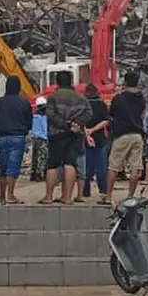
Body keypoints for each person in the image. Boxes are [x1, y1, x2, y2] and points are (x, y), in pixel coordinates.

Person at [42, 71, 92, 205]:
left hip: (57, 134)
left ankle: (48, 196)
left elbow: (50, 115)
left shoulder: (53, 97)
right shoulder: (81, 98)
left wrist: (66, 124)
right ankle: (68, 197)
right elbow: (88, 113)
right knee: (70, 163)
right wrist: (77, 123)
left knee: (53, 164)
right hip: (75, 135)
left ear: (57, 82)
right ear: (71, 81)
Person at [106, 70, 147, 202]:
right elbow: (141, 113)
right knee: (135, 167)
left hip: (122, 135)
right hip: (137, 135)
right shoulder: (141, 98)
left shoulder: (119, 98)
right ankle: (130, 196)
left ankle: (108, 196)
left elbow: (111, 115)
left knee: (113, 166)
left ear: (125, 82)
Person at [0, 77, 31, 204]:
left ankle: (2, 195)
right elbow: (29, 122)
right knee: (13, 167)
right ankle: (11, 195)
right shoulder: (23, 103)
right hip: (18, 137)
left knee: (3, 167)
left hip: (2, 138)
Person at [81, 84, 111, 201]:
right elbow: (106, 121)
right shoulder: (102, 105)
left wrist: (87, 132)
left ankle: (86, 190)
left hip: (85, 138)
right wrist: (94, 130)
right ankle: (103, 190)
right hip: (100, 139)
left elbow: (80, 121)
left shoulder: (83, 105)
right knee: (101, 166)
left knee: (87, 165)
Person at [29, 97, 49, 183]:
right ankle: (39, 174)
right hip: (42, 138)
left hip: (35, 138)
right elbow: (45, 128)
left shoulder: (34, 115)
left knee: (35, 156)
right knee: (42, 157)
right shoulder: (43, 116)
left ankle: (33, 174)